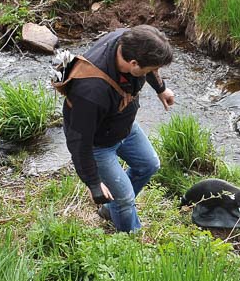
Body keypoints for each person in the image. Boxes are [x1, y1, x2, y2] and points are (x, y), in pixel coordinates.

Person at [61, 25, 175, 232]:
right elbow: (78, 141)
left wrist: (161, 88)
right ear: (133, 64)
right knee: (125, 197)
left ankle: (110, 209)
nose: (151, 73)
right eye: (148, 71)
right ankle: (129, 238)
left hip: (124, 125)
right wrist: (94, 184)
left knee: (149, 165)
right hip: (98, 145)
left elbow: (150, 65)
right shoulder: (90, 90)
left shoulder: (130, 39)